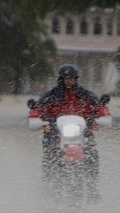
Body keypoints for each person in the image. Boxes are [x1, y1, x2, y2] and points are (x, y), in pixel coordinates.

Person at [28, 64, 111, 201]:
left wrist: (103, 116)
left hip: (81, 132)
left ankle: (92, 187)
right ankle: (50, 188)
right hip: (56, 132)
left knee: (92, 154)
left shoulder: (86, 95)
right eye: (66, 78)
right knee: (49, 152)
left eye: (72, 78)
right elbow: (38, 110)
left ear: (76, 79)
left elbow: (99, 107)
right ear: (61, 79)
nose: (69, 81)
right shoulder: (51, 96)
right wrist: (36, 119)